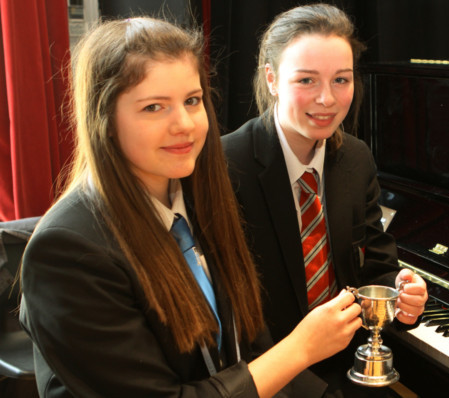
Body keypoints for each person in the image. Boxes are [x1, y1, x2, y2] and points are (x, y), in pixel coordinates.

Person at [19, 17, 363, 398]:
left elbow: (248, 347)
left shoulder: (201, 199)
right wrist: (300, 349)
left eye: (192, 101)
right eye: (153, 107)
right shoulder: (67, 252)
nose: (184, 124)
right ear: (106, 121)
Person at [221, 4, 428, 395]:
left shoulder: (356, 157)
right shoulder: (225, 165)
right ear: (272, 79)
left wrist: (401, 292)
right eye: (306, 81)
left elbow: (376, 270)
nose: (327, 99)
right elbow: (233, 321)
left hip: (347, 367)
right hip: (270, 375)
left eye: (341, 80)